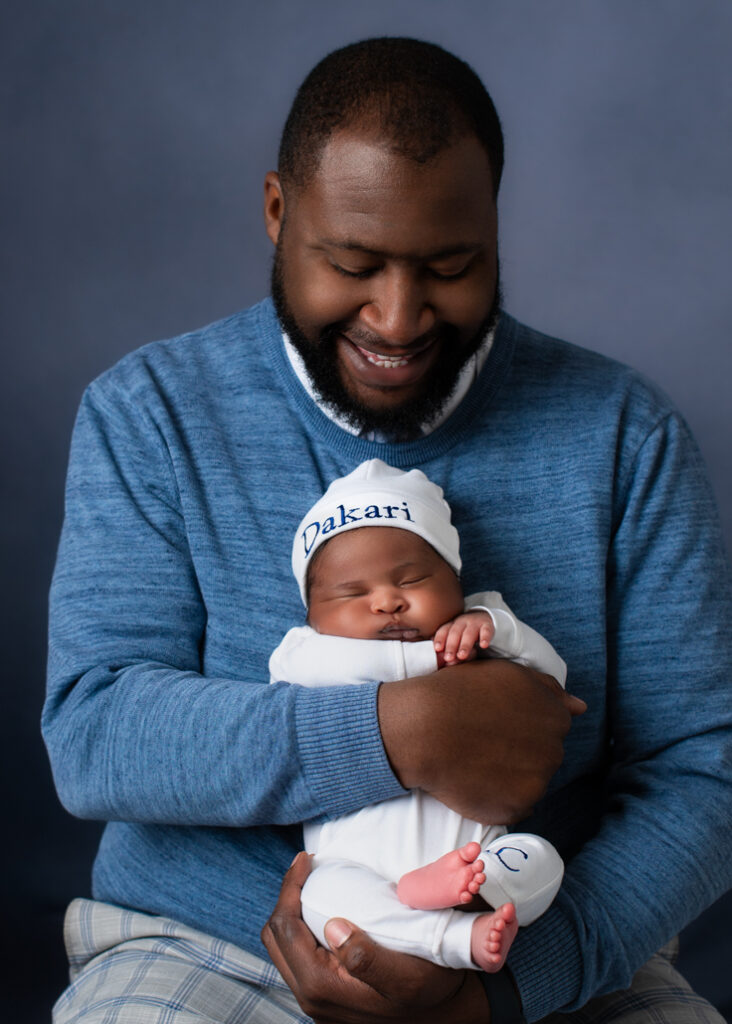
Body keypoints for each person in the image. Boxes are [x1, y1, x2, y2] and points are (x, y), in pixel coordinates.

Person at [42, 36, 732, 1024]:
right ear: (279, 213)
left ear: (495, 228)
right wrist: (393, 730)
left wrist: (502, 994)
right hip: (210, 951)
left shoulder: (625, 435)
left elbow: (704, 769)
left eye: (449, 266)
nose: (399, 320)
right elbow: (97, 727)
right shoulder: (150, 413)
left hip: (550, 964)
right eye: (352, 264)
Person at [271, 458, 567, 974]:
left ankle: (471, 900)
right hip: (360, 866)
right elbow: (326, 672)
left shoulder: (482, 625)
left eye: (412, 579)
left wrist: (499, 631)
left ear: (454, 583)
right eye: (352, 593)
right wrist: (437, 659)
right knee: (322, 895)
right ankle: (451, 936)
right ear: (312, 614)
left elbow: (552, 684)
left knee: (542, 860)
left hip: (475, 859)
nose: (387, 602)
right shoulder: (305, 653)